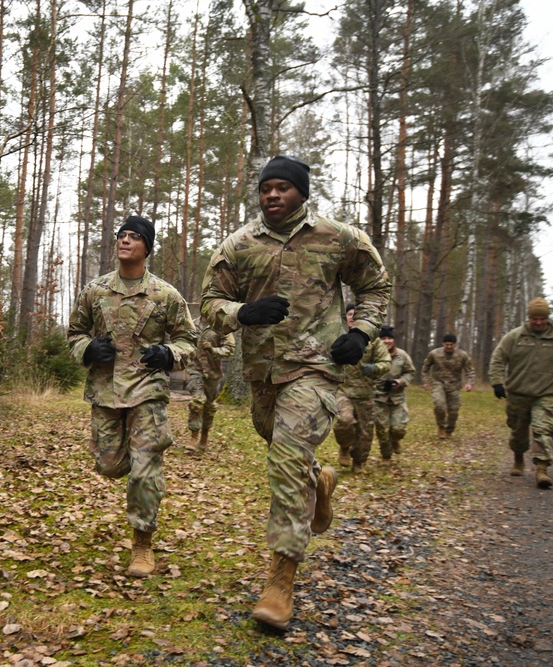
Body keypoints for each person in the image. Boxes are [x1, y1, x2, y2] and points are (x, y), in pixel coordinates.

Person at [200, 155, 390, 630]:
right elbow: (209, 302)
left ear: (302, 193)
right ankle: (319, 480)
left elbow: (376, 286)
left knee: (285, 458)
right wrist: (243, 313)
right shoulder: (240, 244)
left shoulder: (338, 237)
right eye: (266, 188)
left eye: (283, 187)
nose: (272, 195)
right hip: (264, 376)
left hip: (316, 370)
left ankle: (281, 578)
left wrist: (362, 332)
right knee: (281, 444)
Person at [67, 215, 196, 578]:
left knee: (145, 467)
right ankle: (134, 469)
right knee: (109, 465)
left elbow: (190, 338)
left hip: (147, 392)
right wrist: (88, 349)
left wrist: (169, 354)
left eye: (134, 236)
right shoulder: (95, 290)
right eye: (121, 235)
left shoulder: (165, 295)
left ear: (146, 248)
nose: (125, 240)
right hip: (105, 392)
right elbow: (74, 333)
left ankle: (142, 543)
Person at [488, 297, 553, 489]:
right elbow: (498, 358)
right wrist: (496, 382)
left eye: (541, 319)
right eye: (534, 318)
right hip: (518, 393)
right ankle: (518, 458)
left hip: (547, 394)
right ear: (529, 318)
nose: (538, 322)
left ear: (547, 318)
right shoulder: (515, 337)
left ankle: (542, 469)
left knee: (542, 431)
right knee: (518, 432)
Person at [333, 305, 390, 473]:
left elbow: (386, 362)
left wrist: (375, 368)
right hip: (342, 390)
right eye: (349, 314)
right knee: (345, 421)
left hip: (366, 393)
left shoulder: (373, 340)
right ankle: (344, 446)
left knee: (365, 432)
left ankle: (359, 462)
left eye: (355, 315)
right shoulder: (336, 335)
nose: (352, 317)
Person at [185, 319, 235, 454]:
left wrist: (213, 350)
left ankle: (204, 436)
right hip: (196, 369)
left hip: (213, 373)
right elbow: (183, 341)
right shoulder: (192, 324)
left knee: (209, 406)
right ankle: (193, 437)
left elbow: (230, 349)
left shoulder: (221, 326)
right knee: (197, 400)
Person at [373, 325, 416, 463]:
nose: (387, 341)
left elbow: (410, 372)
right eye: (383, 338)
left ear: (394, 340)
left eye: (389, 338)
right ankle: (386, 455)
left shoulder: (402, 356)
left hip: (397, 398)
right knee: (382, 430)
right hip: (378, 398)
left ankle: (395, 440)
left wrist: (400, 381)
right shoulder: (373, 355)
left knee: (398, 428)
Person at [422, 333, 475, 439]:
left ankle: (449, 429)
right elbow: (425, 368)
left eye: (451, 344)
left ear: (455, 344)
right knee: (439, 405)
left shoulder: (462, 355)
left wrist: (469, 383)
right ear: (443, 344)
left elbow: (470, 370)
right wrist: (426, 381)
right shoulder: (434, 354)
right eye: (447, 344)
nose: (449, 347)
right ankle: (441, 427)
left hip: (454, 384)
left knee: (454, 410)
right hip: (438, 382)